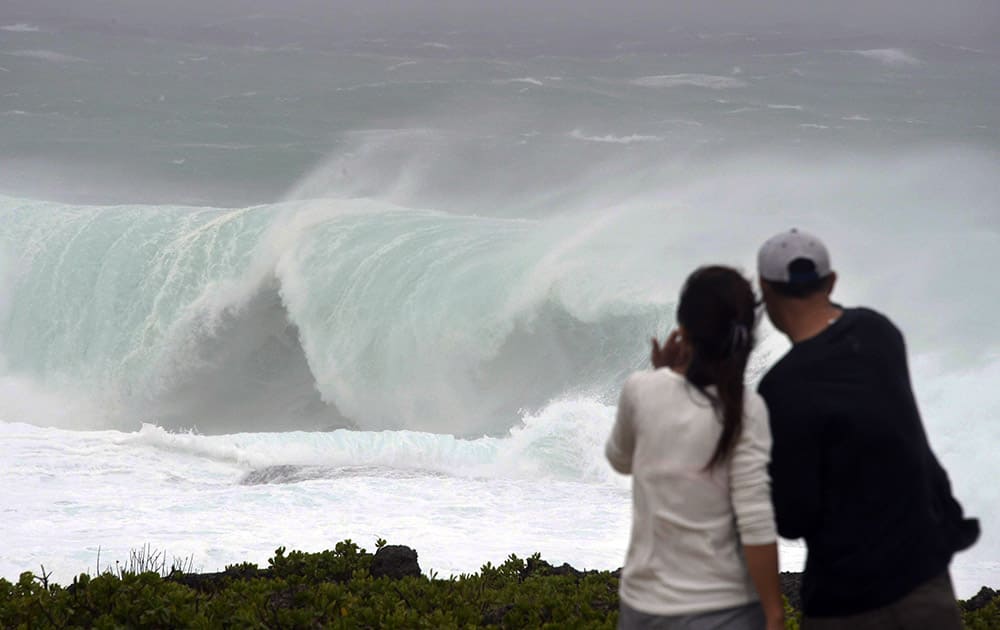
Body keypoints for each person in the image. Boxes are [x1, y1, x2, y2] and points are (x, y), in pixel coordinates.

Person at [755, 228, 979, 629]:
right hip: (924, 581)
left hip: (845, 602)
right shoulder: (879, 334)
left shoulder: (780, 388)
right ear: (832, 281)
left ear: (765, 292)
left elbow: (793, 518)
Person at [607, 266, 784, 630]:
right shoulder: (747, 409)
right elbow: (755, 520)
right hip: (727, 610)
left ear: (683, 331)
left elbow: (620, 459)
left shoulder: (642, 390)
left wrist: (661, 375)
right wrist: (774, 612)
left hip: (646, 608)